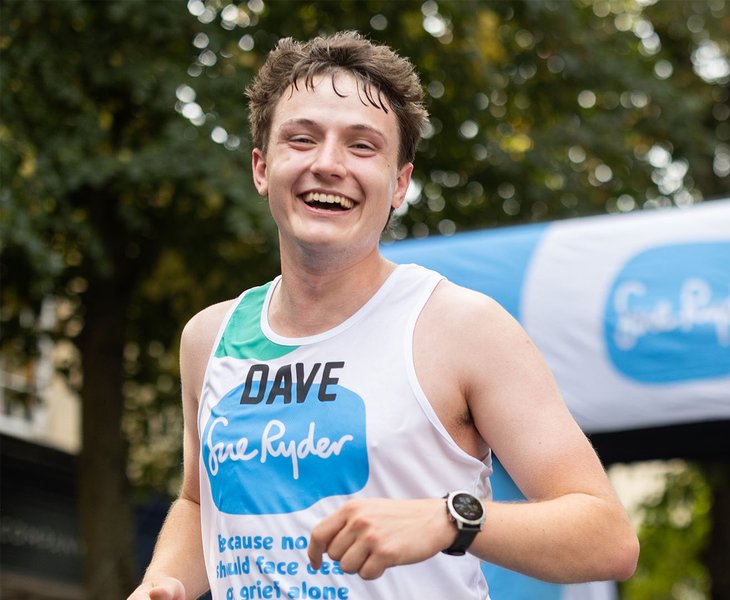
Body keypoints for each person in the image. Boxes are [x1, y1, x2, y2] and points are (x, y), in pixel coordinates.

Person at [128, 30, 638, 600]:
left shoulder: (460, 327)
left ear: (399, 184)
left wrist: (452, 518)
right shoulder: (210, 336)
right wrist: (160, 583)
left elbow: (608, 537)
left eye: (362, 146)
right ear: (261, 167)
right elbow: (200, 504)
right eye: (302, 139)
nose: (328, 164)